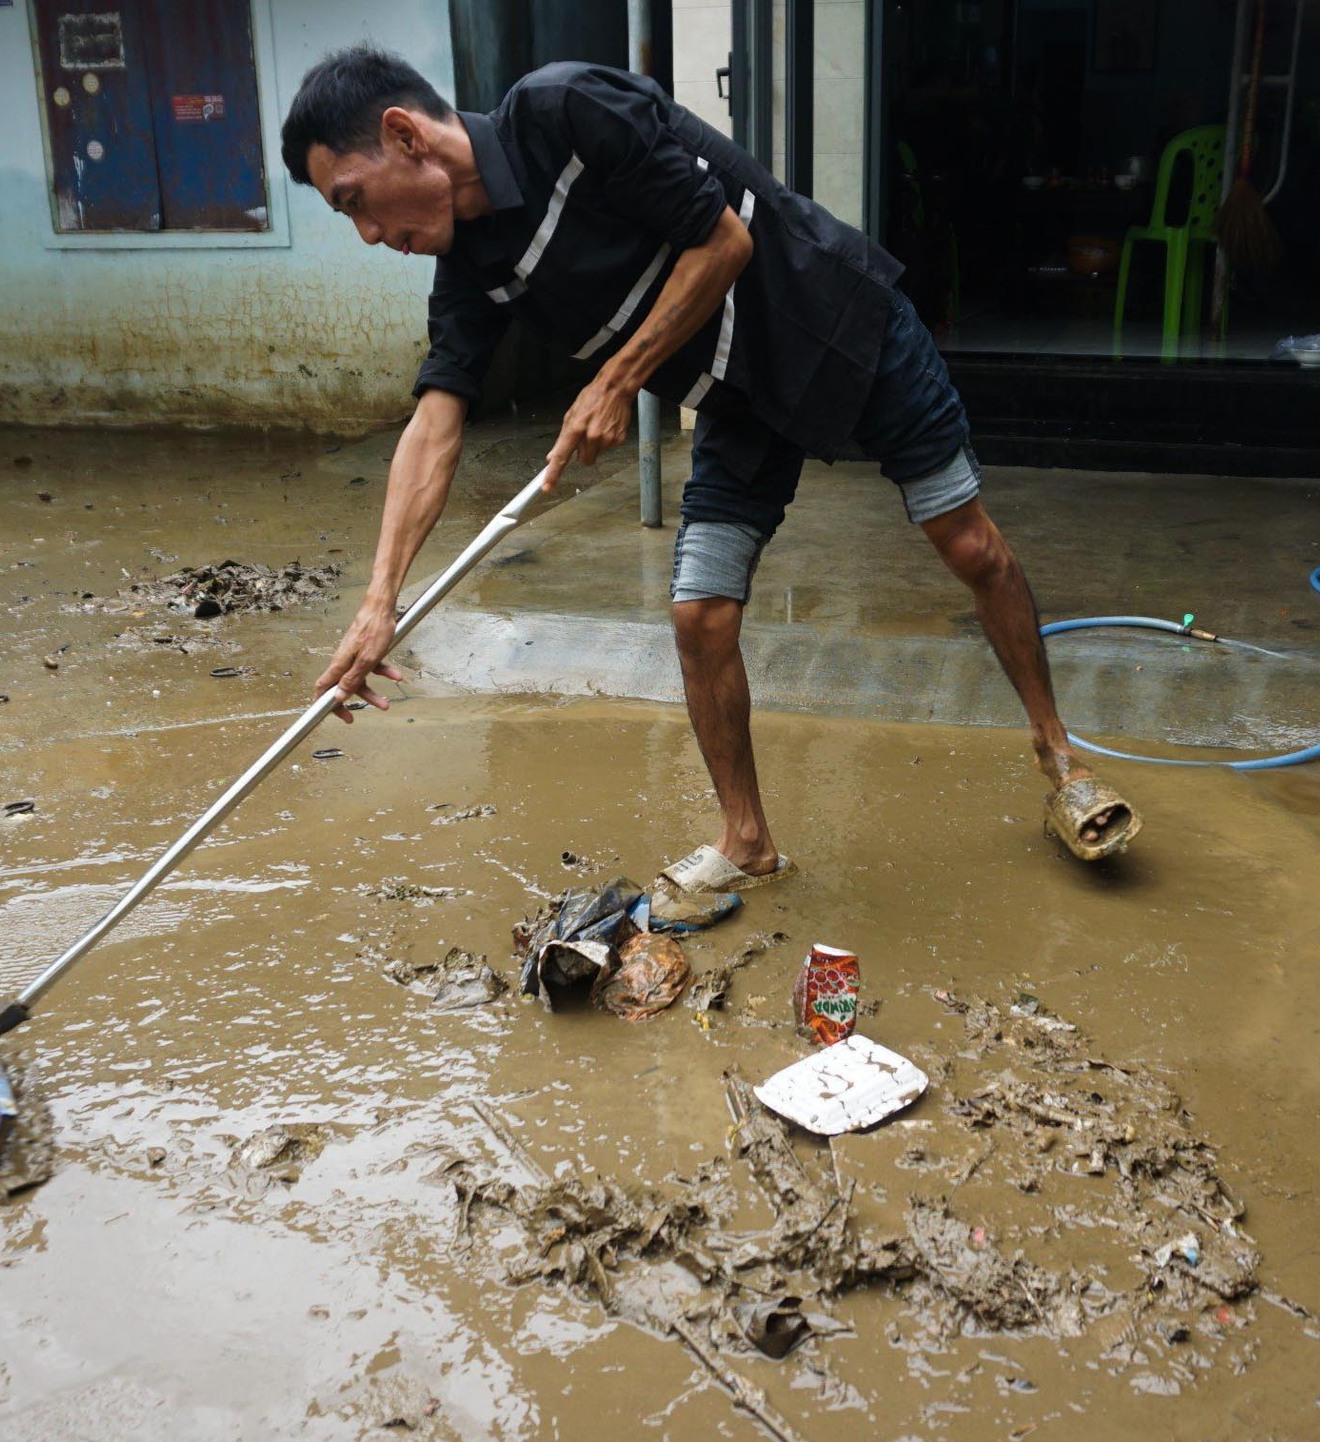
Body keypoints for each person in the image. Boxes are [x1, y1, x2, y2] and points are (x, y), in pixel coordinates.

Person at [279, 47, 1140, 905]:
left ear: (404, 135)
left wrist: (614, 381)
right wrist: (379, 602)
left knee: (969, 545)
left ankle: (1056, 751)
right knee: (700, 613)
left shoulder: (565, 112)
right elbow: (436, 420)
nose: (366, 234)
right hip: (737, 400)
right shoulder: (473, 270)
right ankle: (748, 839)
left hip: (841, 326)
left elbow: (724, 240)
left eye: (354, 201)